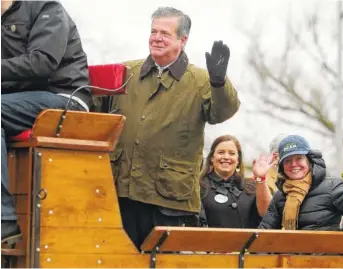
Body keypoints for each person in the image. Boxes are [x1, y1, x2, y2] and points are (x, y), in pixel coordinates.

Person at [97, 7, 240, 249]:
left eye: (165, 33)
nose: (157, 37)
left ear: (182, 40)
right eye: (153, 31)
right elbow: (89, 109)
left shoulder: (200, 80)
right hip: (120, 190)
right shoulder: (125, 73)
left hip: (169, 199)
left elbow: (222, 112)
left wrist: (219, 83)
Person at [1, 1, 92, 244]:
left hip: (65, 97)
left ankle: (4, 221)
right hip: (22, 101)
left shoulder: (47, 7)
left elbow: (42, 62)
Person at [259, 135, 343, 231]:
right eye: (287, 161)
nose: (293, 164)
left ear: (309, 160)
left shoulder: (333, 186)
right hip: (289, 258)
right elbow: (264, 232)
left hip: (324, 258)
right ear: (282, 166)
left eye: (299, 158)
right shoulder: (279, 196)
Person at [198, 135, 272, 228]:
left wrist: (261, 178)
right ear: (212, 158)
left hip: (250, 242)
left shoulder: (252, 186)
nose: (226, 157)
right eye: (221, 152)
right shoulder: (199, 187)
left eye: (232, 153)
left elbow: (268, 214)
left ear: (238, 160)